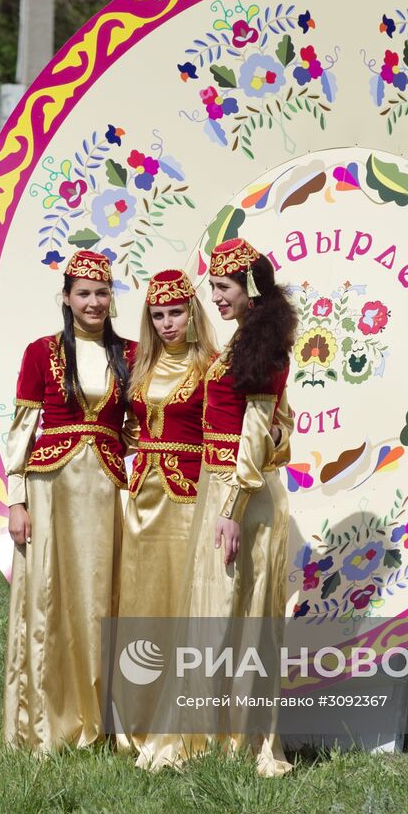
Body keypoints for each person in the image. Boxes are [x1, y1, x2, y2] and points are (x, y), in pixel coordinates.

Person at [137, 238, 297, 778]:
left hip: (239, 496)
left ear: (251, 290)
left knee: (236, 613)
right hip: (225, 487)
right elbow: (281, 423)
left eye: (223, 286)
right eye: (212, 285)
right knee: (218, 612)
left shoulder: (260, 347)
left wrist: (232, 505)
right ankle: (208, 732)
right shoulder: (244, 342)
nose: (214, 295)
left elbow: (259, 430)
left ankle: (230, 739)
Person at [3, 250, 134, 755]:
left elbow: (137, 427)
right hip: (51, 488)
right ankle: (49, 720)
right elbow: (21, 433)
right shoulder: (41, 353)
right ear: (66, 298)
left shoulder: (131, 352)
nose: (94, 302)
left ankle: (104, 717)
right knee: (49, 596)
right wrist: (17, 500)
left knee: (102, 594)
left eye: (102, 293)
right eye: (83, 293)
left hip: (106, 491)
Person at [114, 270, 219, 755]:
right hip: (142, 498)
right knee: (143, 603)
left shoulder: (214, 367)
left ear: (193, 313)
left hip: (189, 500)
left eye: (175, 312)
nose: (167, 323)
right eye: (158, 316)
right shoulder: (139, 365)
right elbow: (130, 430)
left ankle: (185, 723)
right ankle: (135, 717)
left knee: (185, 604)